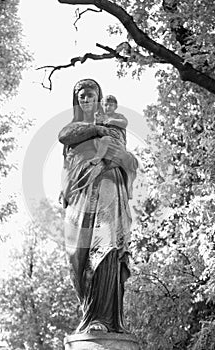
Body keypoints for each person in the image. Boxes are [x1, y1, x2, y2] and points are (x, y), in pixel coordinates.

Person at [58, 78, 139, 333]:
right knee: (76, 255)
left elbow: (127, 159)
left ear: (98, 96)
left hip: (107, 188)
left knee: (105, 246)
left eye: (90, 94)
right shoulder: (74, 128)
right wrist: (96, 130)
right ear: (76, 100)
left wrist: (121, 158)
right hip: (81, 195)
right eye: (81, 95)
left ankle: (103, 318)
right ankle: (88, 311)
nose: (85, 98)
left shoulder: (114, 125)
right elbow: (64, 138)